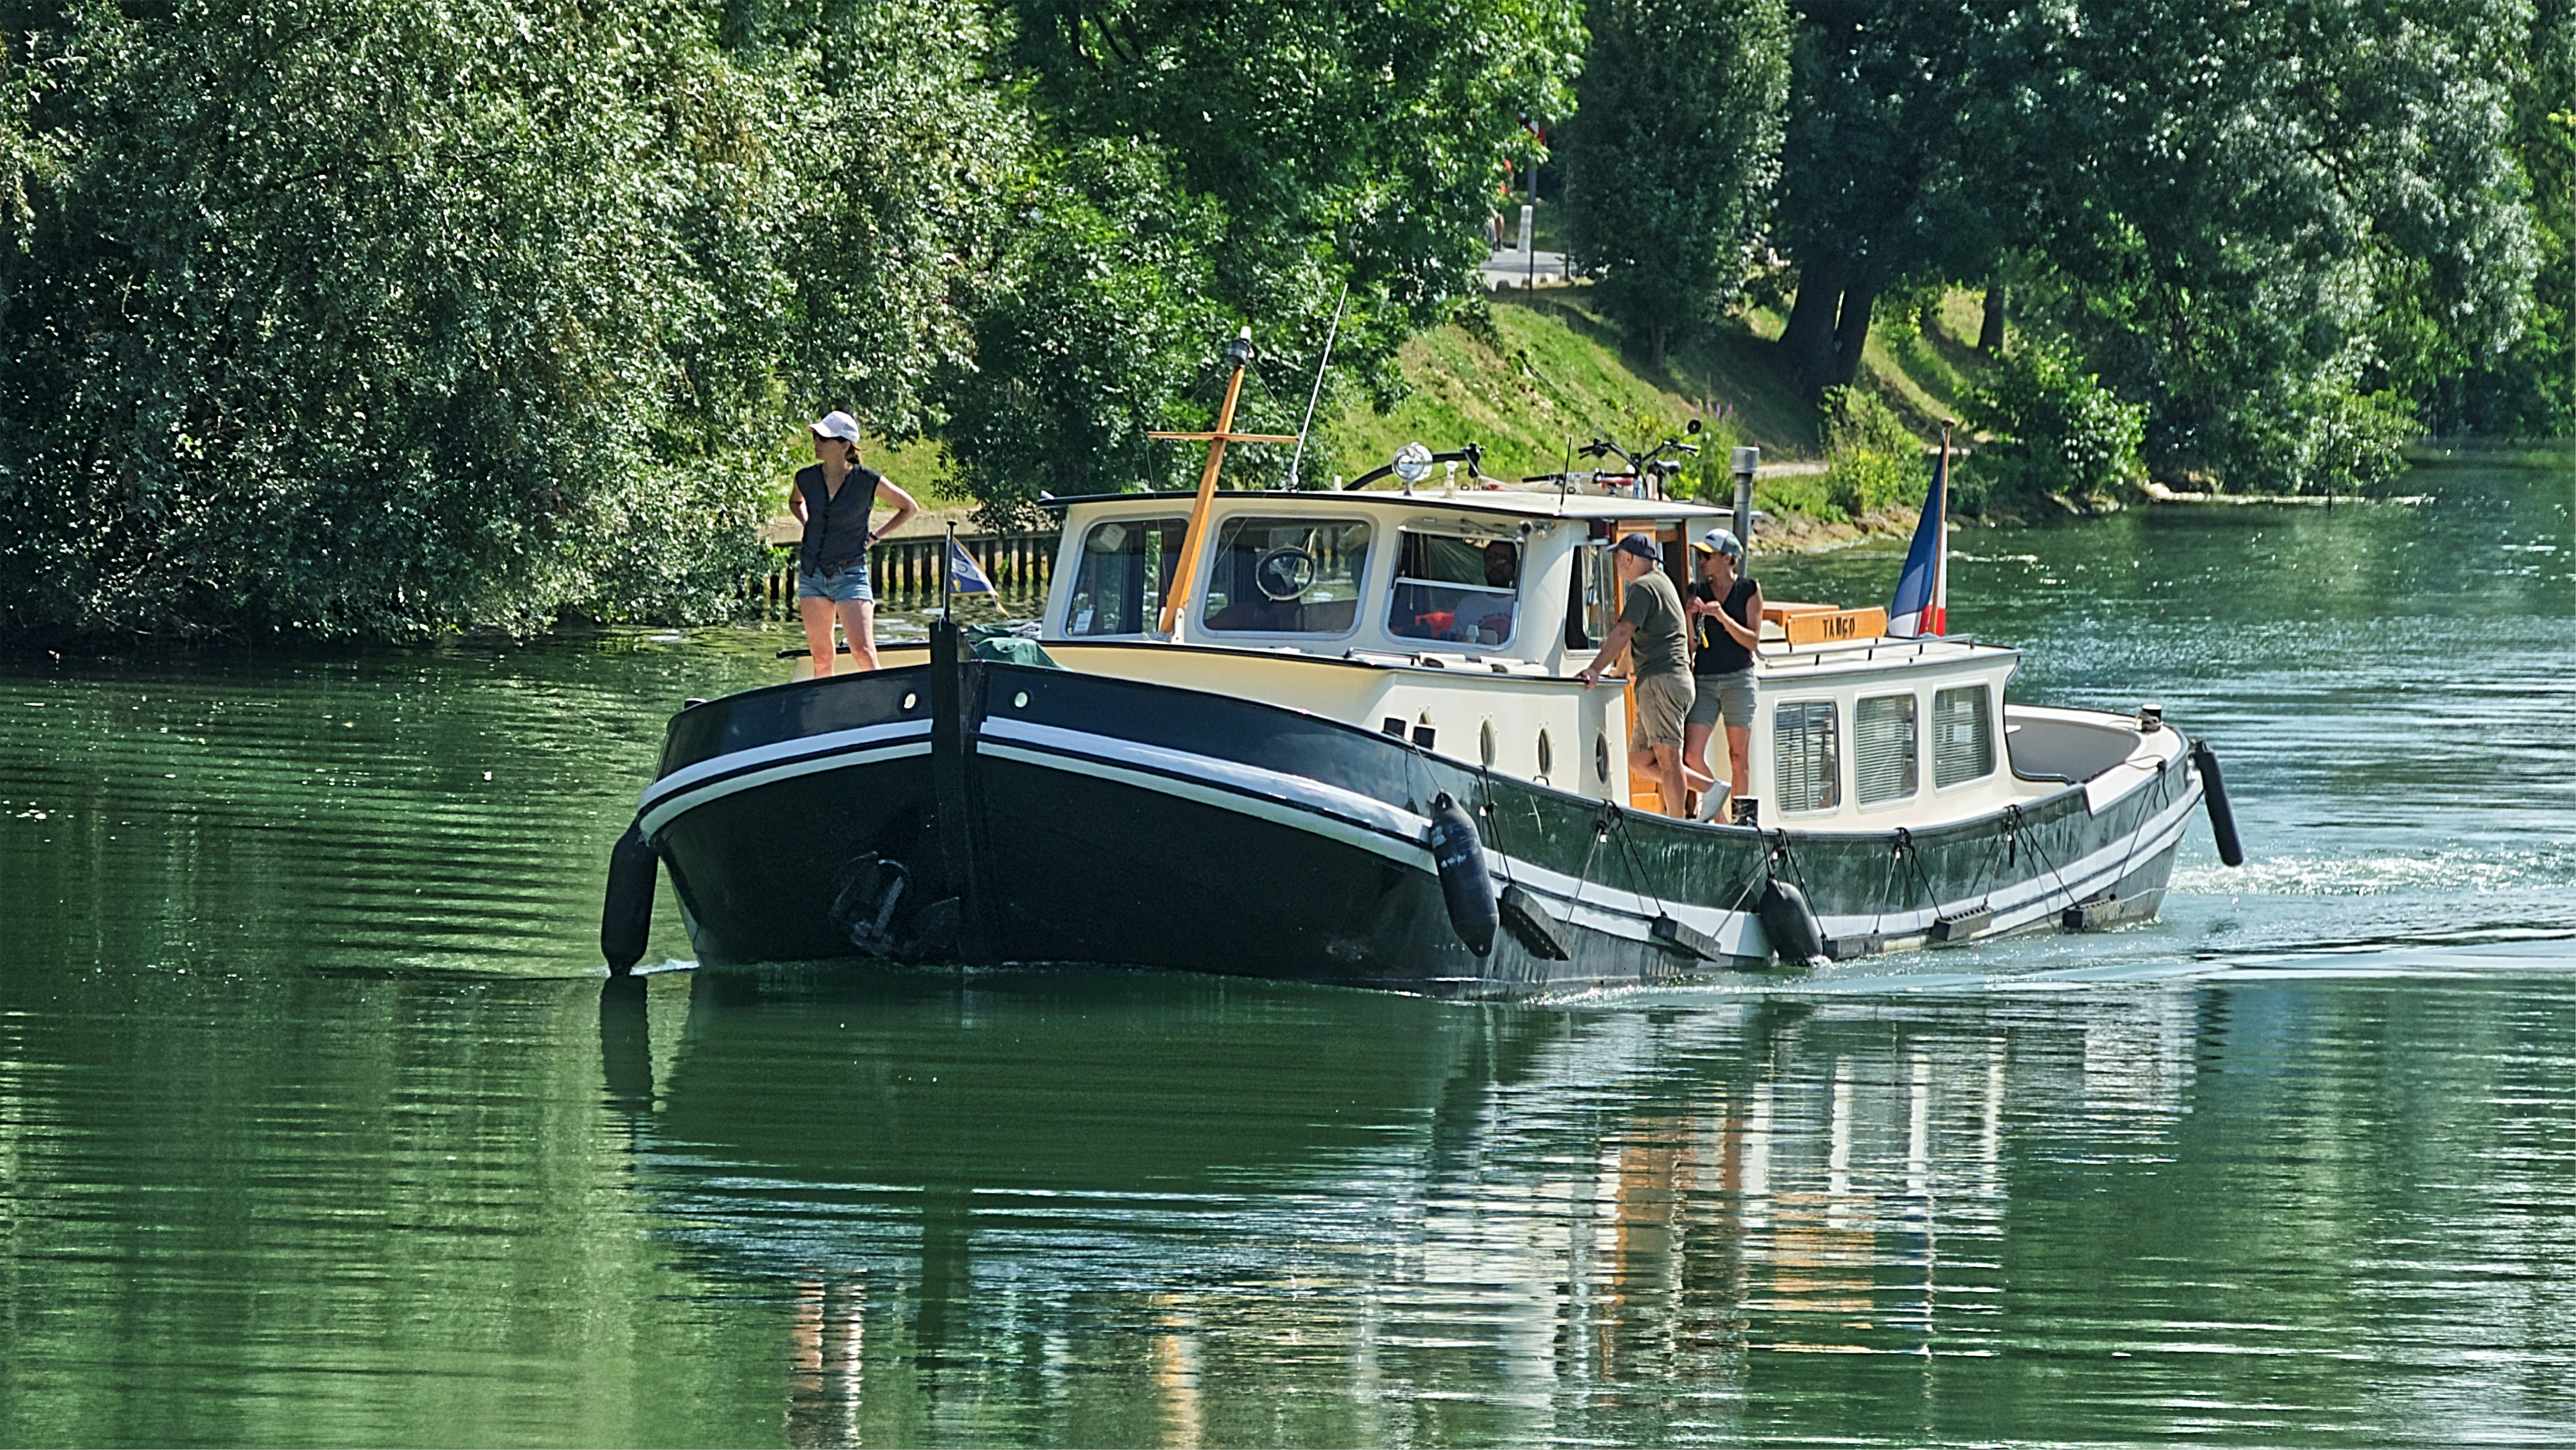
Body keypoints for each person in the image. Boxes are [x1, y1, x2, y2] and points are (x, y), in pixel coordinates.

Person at [1576, 533, 1695, 818]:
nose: (1616, 563)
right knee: (1640, 760)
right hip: (1671, 680)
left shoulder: (1642, 588)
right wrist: (1621, 671)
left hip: (1661, 681)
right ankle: (1708, 787)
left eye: (1618, 557)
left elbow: (1624, 631)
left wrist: (1595, 669)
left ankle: (1678, 825)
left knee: (1668, 759)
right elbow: (1640, 634)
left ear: (1628, 558)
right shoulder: (1662, 582)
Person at [792, 411, 918, 675]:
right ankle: (823, 713)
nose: (816, 442)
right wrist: (808, 525)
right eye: (816, 437)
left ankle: (881, 712)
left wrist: (875, 537)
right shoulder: (806, 478)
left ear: (845, 445)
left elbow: (909, 508)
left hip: (851, 574)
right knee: (822, 657)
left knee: (863, 652)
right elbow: (796, 502)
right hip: (812, 572)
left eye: (824, 438)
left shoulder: (867, 481)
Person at [1684, 528, 1764, 821]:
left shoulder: (1749, 590)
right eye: (1700, 556)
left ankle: (1743, 823)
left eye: (1708, 555)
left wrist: (1723, 617)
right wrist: (1691, 618)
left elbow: (1753, 641)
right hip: (1704, 678)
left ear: (1727, 559)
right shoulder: (1697, 591)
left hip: (1738, 678)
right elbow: (1692, 645)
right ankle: (1722, 820)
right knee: (1691, 755)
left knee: (1738, 757)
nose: (1702, 561)